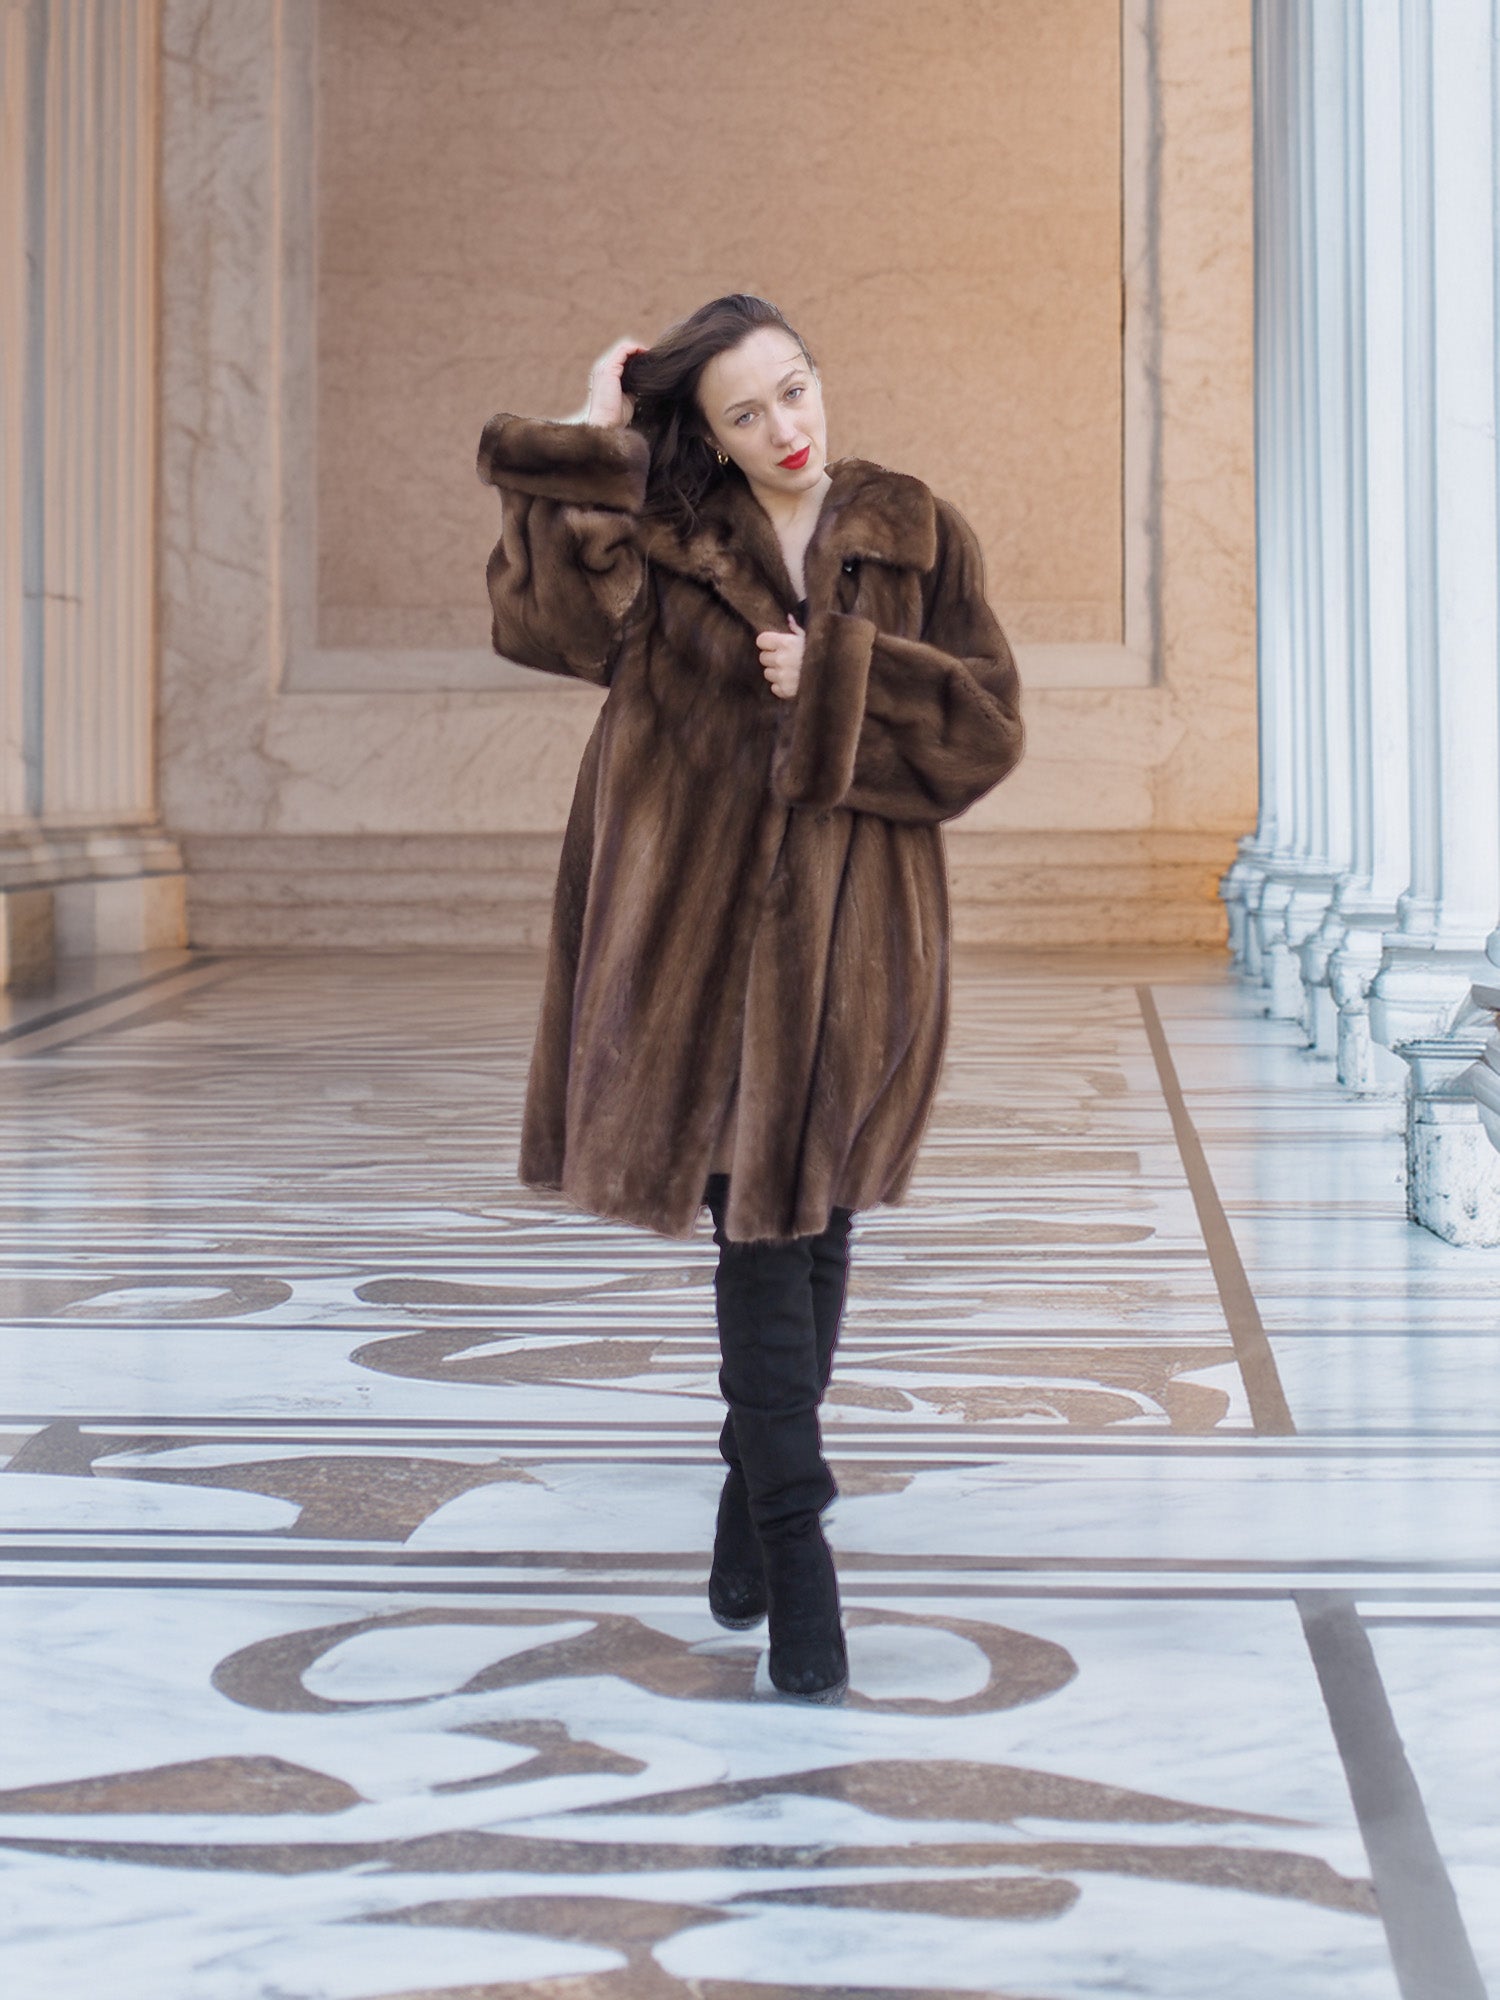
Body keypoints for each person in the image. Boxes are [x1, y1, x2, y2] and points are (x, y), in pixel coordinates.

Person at [477, 295, 1023, 1702]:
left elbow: (984, 735)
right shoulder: (668, 540)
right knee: (760, 1239)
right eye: (745, 412)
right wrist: (591, 438)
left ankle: (745, 1495)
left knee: (817, 1225)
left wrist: (840, 674)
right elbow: (542, 625)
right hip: (699, 956)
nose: (786, 427)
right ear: (707, 435)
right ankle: (798, 1556)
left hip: (859, 951)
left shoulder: (915, 532)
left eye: (796, 387)